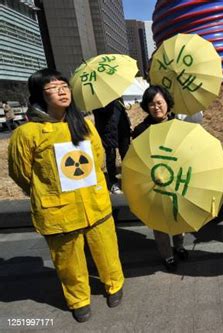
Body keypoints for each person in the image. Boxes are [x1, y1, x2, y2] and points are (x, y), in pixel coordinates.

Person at [8, 68, 124, 323]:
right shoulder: (26, 134)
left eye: (64, 85)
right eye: (53, 87)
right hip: (58, 210)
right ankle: (78, 299)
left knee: (106, 249)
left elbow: (99, 158)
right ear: (40, 94)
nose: (61, 90)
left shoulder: (83, 126)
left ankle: (114, 284)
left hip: (95, 203)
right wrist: (45, 191)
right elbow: (20, 173)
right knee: (68, 261)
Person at [132, 85, 188, 271]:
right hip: (153, 181)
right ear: (146, 107)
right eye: (151, 104)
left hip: (177, 178)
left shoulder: (179, 126)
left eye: (159, 103)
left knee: (177, 213)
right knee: (159, 219)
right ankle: (167, 255)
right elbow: (137, 158)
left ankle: (179, 245)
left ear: (167, 103)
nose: (156, 107)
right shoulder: (141, 130)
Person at [92, 98, 131, 194]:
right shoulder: (96, 98)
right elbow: (100, 112)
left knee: (126, 154)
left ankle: (128, 179)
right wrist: (109, 102)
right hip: (107, 130)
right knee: (111, 156)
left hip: (122, 128)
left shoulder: (115, 94)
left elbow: (122, 110)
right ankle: (113, 182)